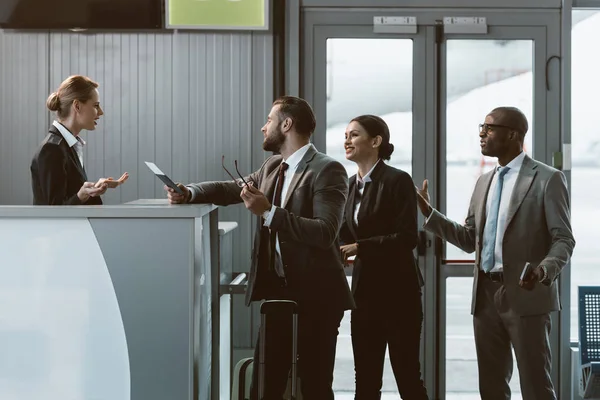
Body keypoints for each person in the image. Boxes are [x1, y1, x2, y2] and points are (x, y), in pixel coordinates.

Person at [165, 95, 355, 399]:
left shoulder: (327, 169)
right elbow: (230, 189)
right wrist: (188, 192)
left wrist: (269, 213)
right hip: (277, 292)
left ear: (287, 124)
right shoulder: (272, 166)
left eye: (269, 120)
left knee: (315, 386)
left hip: (318, 296)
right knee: (265, 385)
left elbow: (325, 232)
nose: (262, 127)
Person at [416, 106, 575, 400]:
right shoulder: (484, 182)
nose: (481, 133)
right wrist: (430, 214)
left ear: (513, 134)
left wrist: (545, 269)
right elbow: (468, 239)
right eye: (482, 127)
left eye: (489, 128)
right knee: (490, 387)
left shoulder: (547, 178)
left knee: (536, 385)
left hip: (526, 293)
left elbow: (563, 239)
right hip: (486, 296)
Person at [339, 115, 428, 400]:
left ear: (376, 141)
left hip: (399, 295)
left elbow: (407, 238)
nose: (346, 140)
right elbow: (343, 235)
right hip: (363, 297)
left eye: (354, 135)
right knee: (364, 381)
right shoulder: (351, 186)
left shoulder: (397, 180)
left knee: (407, 378)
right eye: (346, 135)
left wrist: (359, 247)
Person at [30, 75, 128, 205]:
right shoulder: (52, 149)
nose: (101, 112)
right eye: (96, 105)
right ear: (77, 106)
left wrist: (91, 190)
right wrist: (81, 195)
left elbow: (68, 197)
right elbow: (53, 213)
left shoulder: (66, 145)